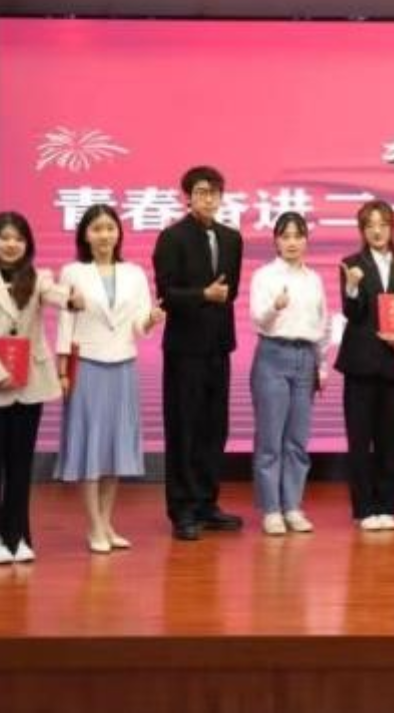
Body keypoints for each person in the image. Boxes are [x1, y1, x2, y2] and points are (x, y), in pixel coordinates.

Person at [0, 211, 81, 563]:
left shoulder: (38, 278)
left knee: (20, 467)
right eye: (5, 238)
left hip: (29, 386)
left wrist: (72, 299)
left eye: (18, 239)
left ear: (28, 244)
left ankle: (17, 537)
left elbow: (57, 295)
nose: (11, 244)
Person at [55, 204, 163, 554]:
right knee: (90, 446)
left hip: (123, 365)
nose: (104, 235)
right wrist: (61, 371)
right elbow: (65, 323)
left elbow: (138, 325)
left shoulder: (134, 273)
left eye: (110, 228)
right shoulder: (73, 271)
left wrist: (151, 320)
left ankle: (105, 522)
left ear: (119, 233)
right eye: (97, 229)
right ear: (85, 235)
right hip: (86, 364)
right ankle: (94, 526)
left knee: (116, 446)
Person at [152, 165, 244, 541]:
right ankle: (183, 509)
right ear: (188, 197)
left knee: (214, 428)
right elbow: (166, 293)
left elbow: (231, 291)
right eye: (201, 192)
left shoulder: (232, 238)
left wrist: (216, 297)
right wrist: (203, 295)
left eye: (215, 192)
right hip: (184, 349)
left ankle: (207, 502)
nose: (208, 198)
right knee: (184, 427)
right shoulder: (172, 237)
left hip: (219, 347)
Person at [335, 200, 394, 532]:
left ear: (391, 228)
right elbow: (352, 313)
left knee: (392, 438)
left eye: (383, 224)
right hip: (360, 364)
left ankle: (388, 506)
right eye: (370, 225)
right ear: (362, 230)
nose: (377, 231)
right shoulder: (351, 265)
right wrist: (352, 286)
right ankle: (364, 508)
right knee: (360, 439)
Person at [249, 212, 329, 536]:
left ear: (306, 240)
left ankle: (293, 505)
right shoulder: (264, 276)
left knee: (297, 439)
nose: (292, 242)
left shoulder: (314, 279)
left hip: (305, 357)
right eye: (286, 236)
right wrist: (276, 306)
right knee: (270, 439)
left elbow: (322, 324)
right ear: (276, 241)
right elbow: (258, 320)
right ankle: (271, 509)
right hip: (273, 354)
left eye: (298, 236)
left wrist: (321, 364)